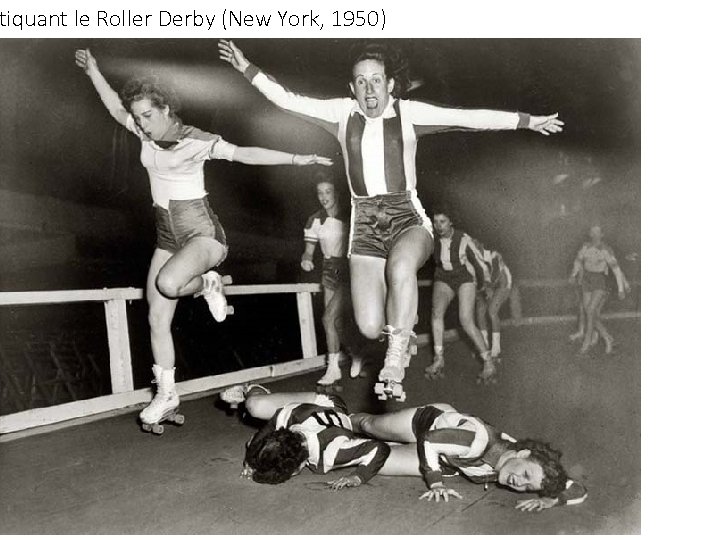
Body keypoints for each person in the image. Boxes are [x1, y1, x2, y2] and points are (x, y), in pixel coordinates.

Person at [218, 40, 564, 401]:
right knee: (368, 327)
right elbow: (286, 99)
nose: (369, 89)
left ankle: (397, 356)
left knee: (401, 269)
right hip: (364, 224)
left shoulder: (409, 113)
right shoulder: (341, 114)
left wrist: (527, 121)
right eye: (361, 82)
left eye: (376, 80)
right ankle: (402, 331)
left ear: (390, 85)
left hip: (407, 218)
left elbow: (469, 117)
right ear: (352, 88)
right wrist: (247, 68)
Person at [74, 49, 332, 431]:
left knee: (168, 283)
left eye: (148, 116)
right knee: (156, 316)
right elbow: (115, 109)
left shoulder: (196, 140)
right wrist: (94, 70)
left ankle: (210, 279)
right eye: (139, 117)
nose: (141, 125)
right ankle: (166, 393)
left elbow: (244, 154)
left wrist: (297, 160)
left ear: (165, 109)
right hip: (167, 235)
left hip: (203, 235)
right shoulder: (142, 131)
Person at [349, 404, 588, 511]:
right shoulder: (479, 442)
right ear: (523, 454)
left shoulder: (535, 465)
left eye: (528, 487)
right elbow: (431, 440)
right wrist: (435, 483)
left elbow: (577, 488)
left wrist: (551, 499)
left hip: (446, 460)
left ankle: (326, 439)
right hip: (428, 425)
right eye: (525, 474)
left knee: (370, 461)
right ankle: (333, 415)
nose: (520, 483)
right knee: (368, 424)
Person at [220, 385, 391, 489]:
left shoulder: (332, 452)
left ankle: (253, 389)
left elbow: (380, 448)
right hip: (312, 412)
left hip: (328, 402)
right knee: (256, 407)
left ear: (296, 471)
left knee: (255, 409)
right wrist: (252, 458)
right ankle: (254, 390)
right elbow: (268, 429)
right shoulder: (288, 418)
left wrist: (359, 476)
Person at [300, 176, 364, 387]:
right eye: (320, 193)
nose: (324, 197)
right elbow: (308, 252)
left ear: (336, 193)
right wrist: (306, 260)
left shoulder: (351, 217)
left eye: (328, 192)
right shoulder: (314, 220)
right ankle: (352, 357)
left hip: (349, 270)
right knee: (333, 322)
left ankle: (333, 367)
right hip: (328, 271)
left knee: (328, 318)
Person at [425, 211, 495, 383]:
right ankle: (438, 358)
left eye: (443, 221)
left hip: (464, 278)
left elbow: (479, 262)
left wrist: (486, 283)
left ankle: (488, 362)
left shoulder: (463, 238)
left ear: (451, 222)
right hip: (443, 277)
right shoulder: (433, 238)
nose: (438, 226)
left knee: (466, 320)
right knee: (436, 314)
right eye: (435, 222)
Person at [568, 225, 631, 355]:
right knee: (589, 313)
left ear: (602, 235)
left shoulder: (606, 250)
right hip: (587, 280)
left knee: (591, 310)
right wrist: (573, 275)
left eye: (598, 232)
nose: (595, 234)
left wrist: (621, 289)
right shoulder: (585, 247)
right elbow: (578, 262)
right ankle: (607, 338)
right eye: (592, 232)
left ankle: (586, 343)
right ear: (590, 234)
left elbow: (617, 270)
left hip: (600, 280)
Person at [473, 243, 514, 362]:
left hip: (503, 284)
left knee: (492, 311)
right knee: (480, 312)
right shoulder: (471, 258)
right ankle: (484, 347)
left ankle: (496, 350)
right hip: (487, 285)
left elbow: (495, 275)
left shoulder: (493, 254)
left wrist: (488, 288)